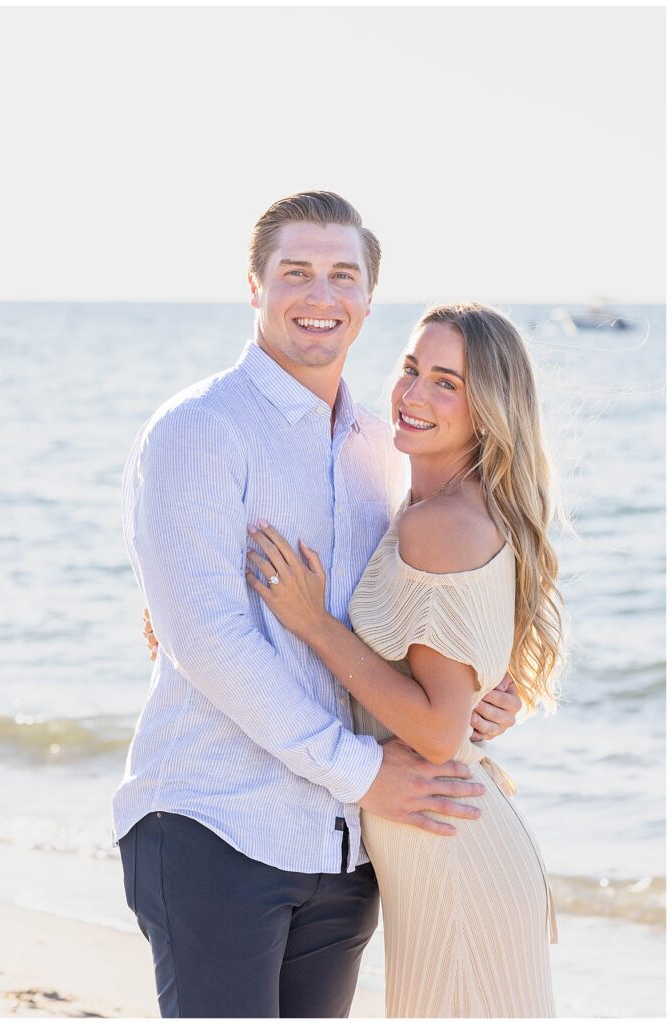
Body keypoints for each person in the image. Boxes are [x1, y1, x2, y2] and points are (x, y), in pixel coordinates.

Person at [114, 191, 521, 1019]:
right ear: (255, 286)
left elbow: (409, 623)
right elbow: (207, 641)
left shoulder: (382, 450)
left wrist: (471, 693)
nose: (320, 296)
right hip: (214, 825)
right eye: (295, 271)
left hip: (344, 849)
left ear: (370, 300)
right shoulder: (199, 430)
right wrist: (367, 770)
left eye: (344, 275)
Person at [241, 302, 563, 1017]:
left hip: (456, 860)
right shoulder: (438, 506)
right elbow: (457, 692)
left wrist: (313, 625)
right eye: (412, 368)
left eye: (446, 382)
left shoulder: (439, 525)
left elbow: (441, 732)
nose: (413, 395)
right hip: (445, 846)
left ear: (489, 410)